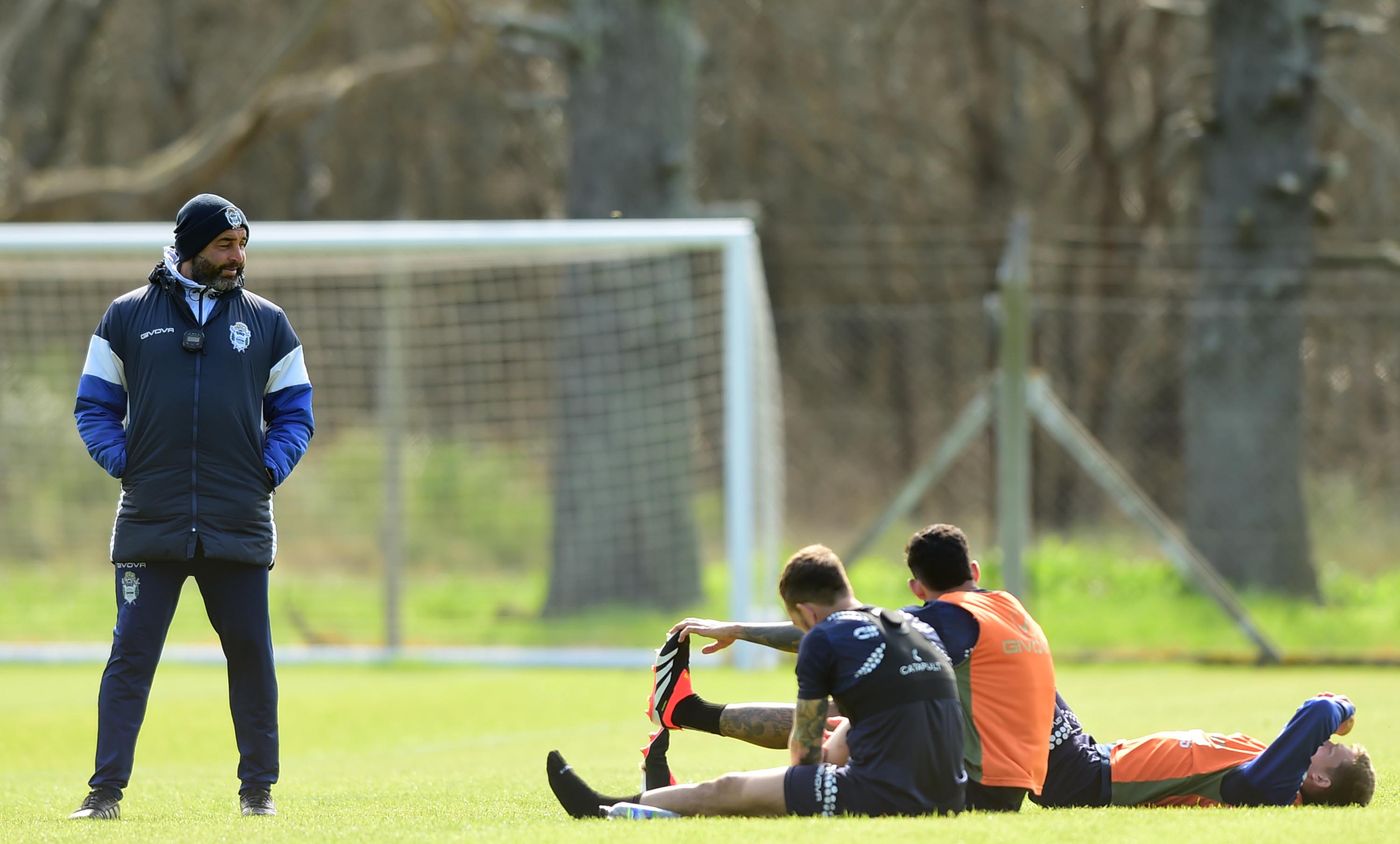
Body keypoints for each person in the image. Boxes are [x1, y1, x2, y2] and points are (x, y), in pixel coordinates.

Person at [69, 193, 314, 820]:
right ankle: (103, 796)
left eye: (242, 247)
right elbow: (94, 405)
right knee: (131, 657)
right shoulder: (125, 317)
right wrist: (127, 461)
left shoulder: (269, 322)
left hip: (238, 518)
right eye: (224, 246)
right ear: (190, 247)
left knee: (251, 656)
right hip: (153, 518)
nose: (237, 258)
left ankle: (258, 793)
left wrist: (267, 468)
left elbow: (295, 414)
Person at [657, 523, 1059, 812]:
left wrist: (741, 630)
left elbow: (843, 632)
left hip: (968, 781)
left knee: (849, 714)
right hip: (1017, 778)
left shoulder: (946, 618)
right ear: (974, 572)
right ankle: (690, 714)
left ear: (916, 588)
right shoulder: (1006, 606)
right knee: (869, 705)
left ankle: (689, 714)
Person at [546, 544, 966, 819]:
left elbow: (803, 757)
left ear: (807, 613)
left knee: (729, 789)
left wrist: (793, 787)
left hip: (888, 794)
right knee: (845, 732)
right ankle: (644, 796)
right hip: (950, 793)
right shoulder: (910, 625)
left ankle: (602, 809)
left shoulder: (821, 638)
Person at [1035, 691, 1374, 807]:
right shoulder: (1267, 768)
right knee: (1017, 675)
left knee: (1023, 658)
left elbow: (1319, 712)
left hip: (1081, 776)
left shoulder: (1271, 790)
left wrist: (1344, 706)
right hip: (1089, 760)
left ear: (1320, 779)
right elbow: (1306, 717)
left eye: (1331, 750)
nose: (1326, 741)